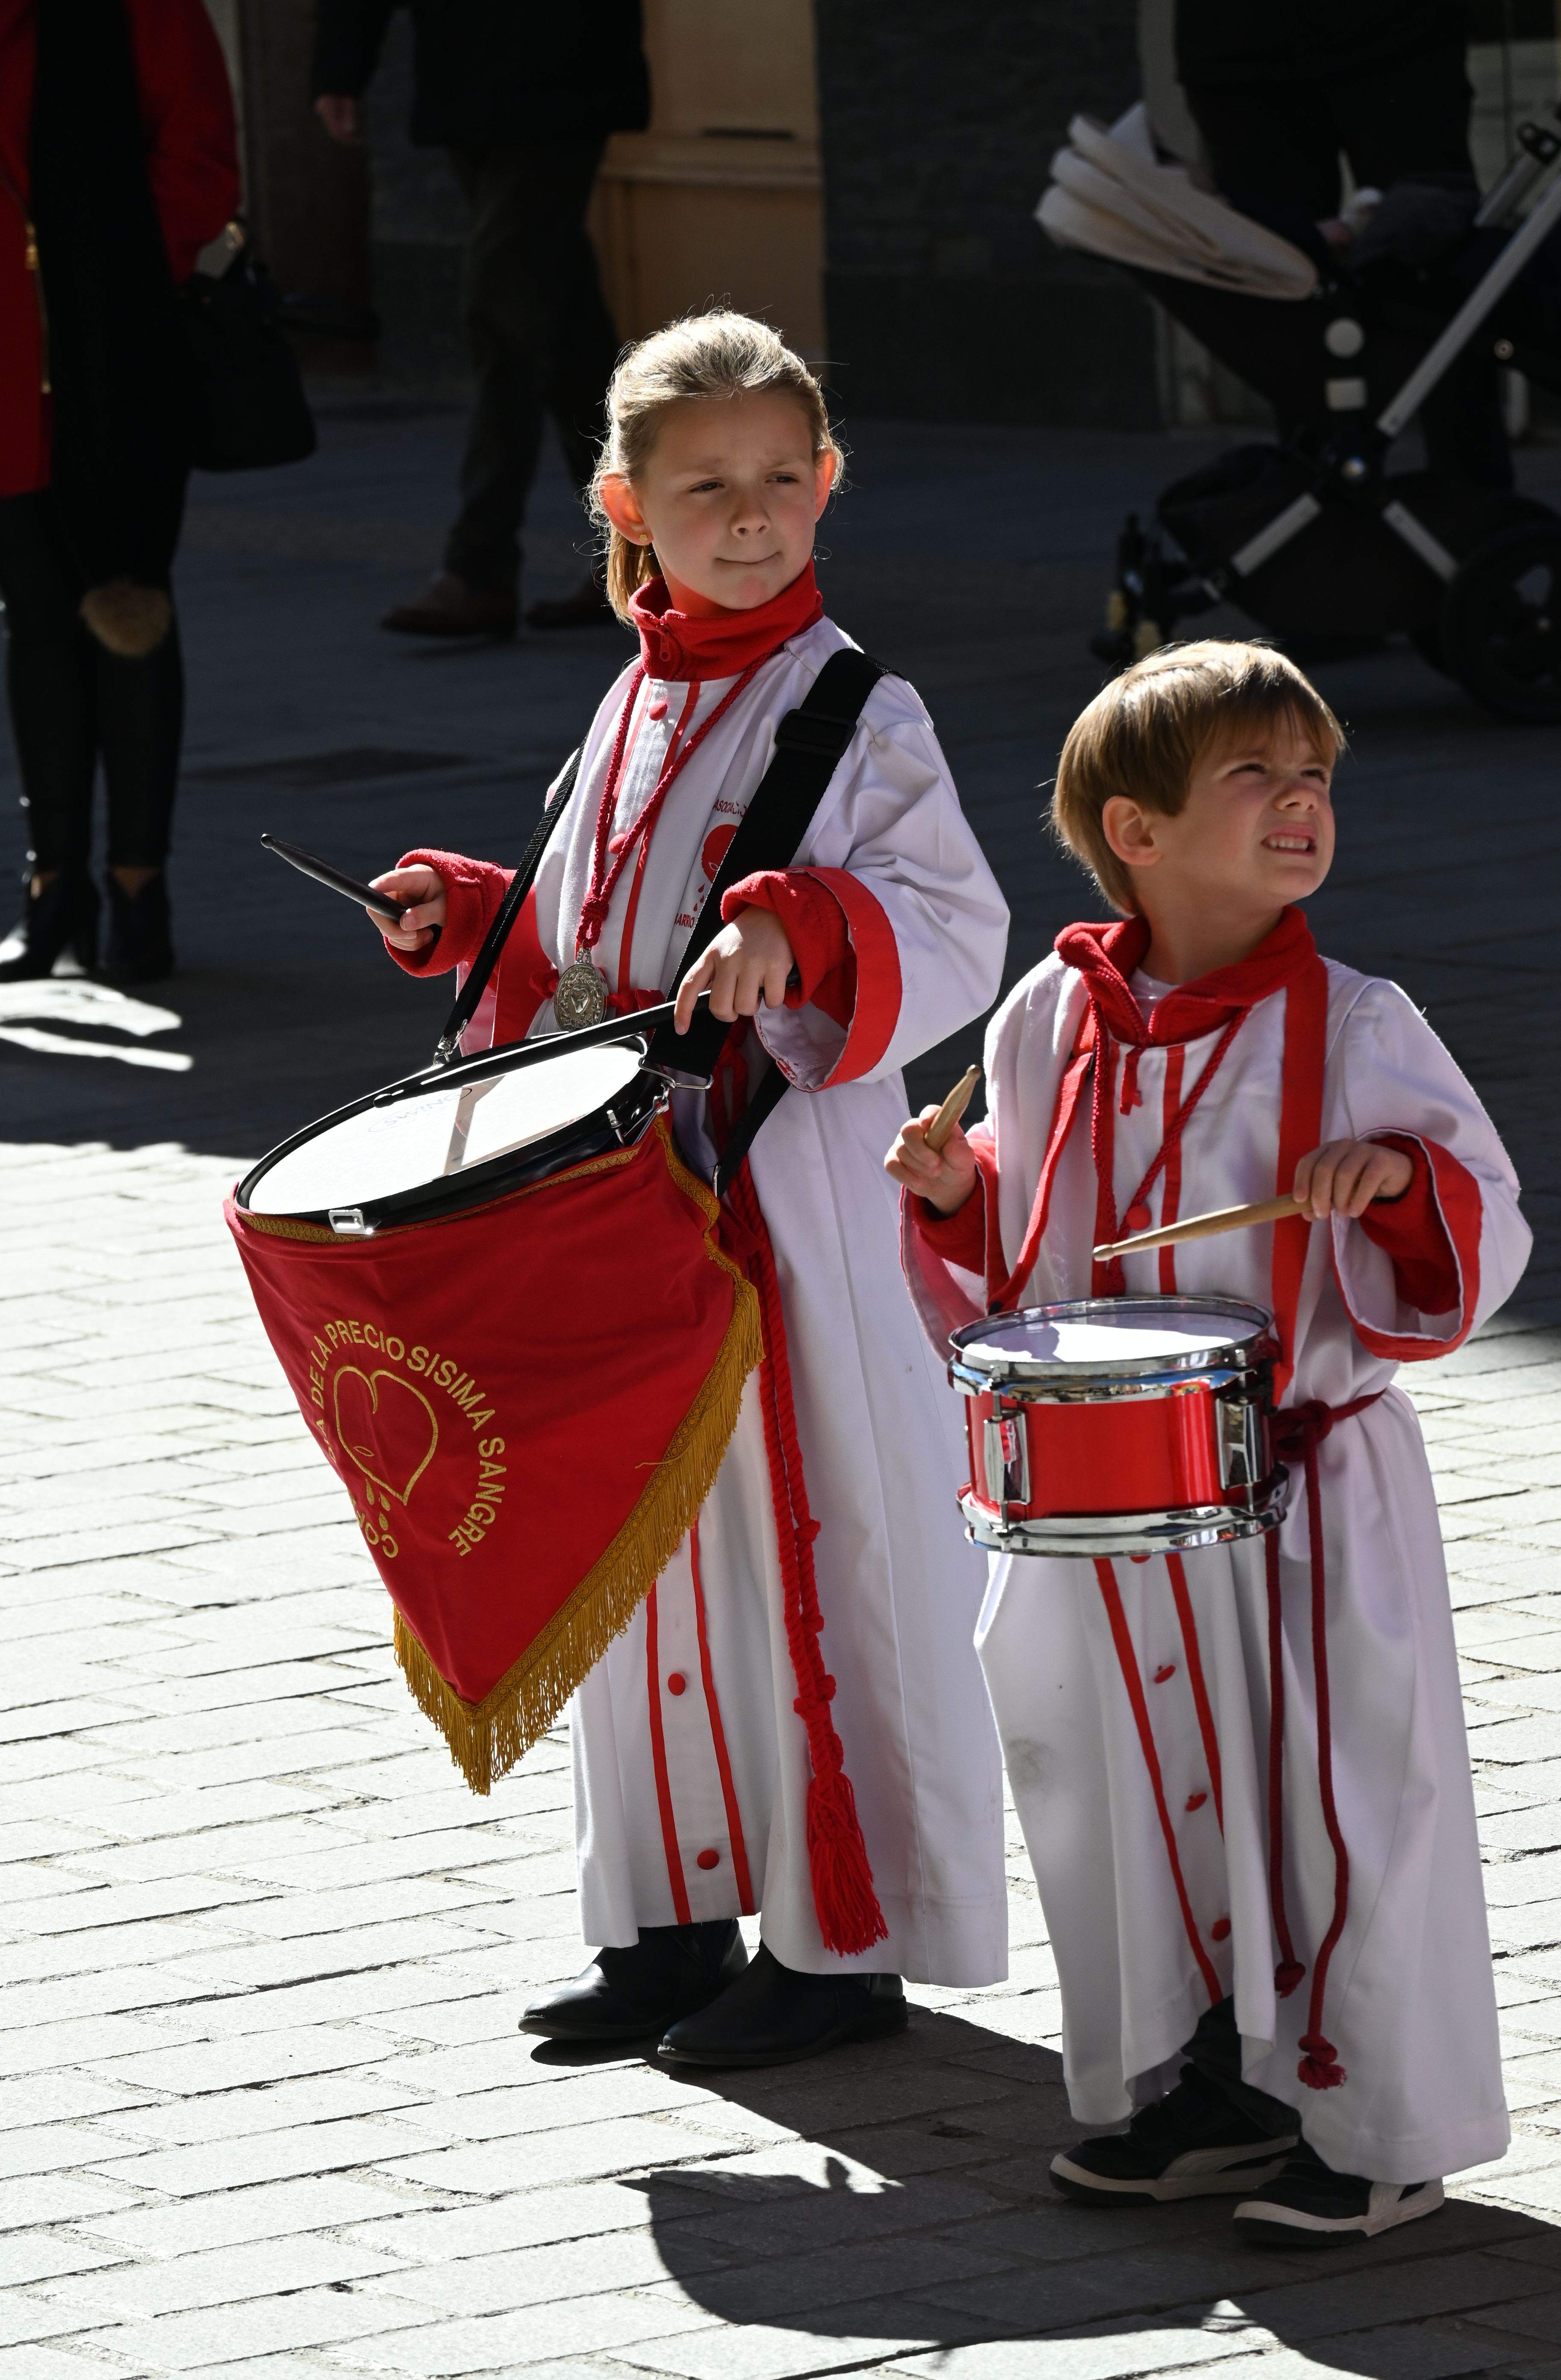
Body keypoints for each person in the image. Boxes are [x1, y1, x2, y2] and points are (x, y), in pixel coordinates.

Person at [361, 310, 1012, 2065]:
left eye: (780, 481)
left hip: (781, 1221)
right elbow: (592, 958)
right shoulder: (634, 689)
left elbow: (954, 928)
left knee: (812, 1561)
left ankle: (834, 1944)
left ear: (828, 485)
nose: (748, 515)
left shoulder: (861, 709)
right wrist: (473, 910)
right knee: (646, 1565)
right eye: (705, 485)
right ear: (622, 500)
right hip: (625, 1216)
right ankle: (666, 1917)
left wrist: (804, 925)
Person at [889, 640, 1529, 2241]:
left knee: (1340, 1801)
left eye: (1312, 776)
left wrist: (1393, 1185)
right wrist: (959, 1192)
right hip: (1112, 1502)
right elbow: (1035, 1259)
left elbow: (1481, 1217)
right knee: (1122, 1787)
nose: (1298, 803)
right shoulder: (1047, 1013)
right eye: (1253, 776)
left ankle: (1373, 2125)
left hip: (1306, 1486)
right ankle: (1203, 2089)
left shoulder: (1359, 1022)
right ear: (1136, 830)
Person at [0, 0, 238, 982]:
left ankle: (139, 885)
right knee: (36, 617)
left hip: (117, 359)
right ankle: (55, 885)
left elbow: (200, 166)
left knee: (130, 606)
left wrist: (109, 266)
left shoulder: (145, 8)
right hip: (8, 365)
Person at [312, 0, 649, 636]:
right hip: (472, 80)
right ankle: (644, 556)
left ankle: (481, 566)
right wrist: (340, 66)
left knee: (507, 322)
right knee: (566, 330)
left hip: (560, 79)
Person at [1173, 0, 1509, 486]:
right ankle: (1319, 507)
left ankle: (1479, 508)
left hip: (1393, 36)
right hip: (1239, 52)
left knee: (1441, 261)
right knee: (1289, 289)